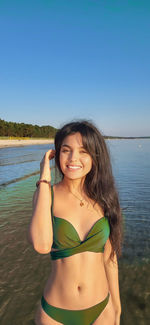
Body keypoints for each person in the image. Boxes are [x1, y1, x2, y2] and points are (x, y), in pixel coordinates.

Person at [28, 120, 122, 325]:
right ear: (57, 154)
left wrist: (117, 306)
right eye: (66, 150)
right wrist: (44, 176)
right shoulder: (46, 195)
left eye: (83, 151)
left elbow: (110, 259)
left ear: (95, 157)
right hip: (56, 314)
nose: (73, 159)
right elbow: (42, 245)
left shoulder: (104, 198)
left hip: (101, 310)